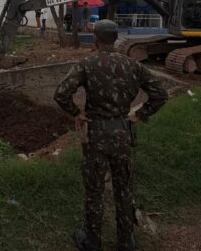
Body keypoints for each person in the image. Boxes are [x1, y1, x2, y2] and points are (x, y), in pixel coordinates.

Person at [54, 19, 168, 251]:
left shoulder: (86, 64)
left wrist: (77, 113)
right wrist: (141, 114)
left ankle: (92, 241)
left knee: (94, 190)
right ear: (115, 38)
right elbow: (160, 93)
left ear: (96, 39)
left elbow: (61, 93)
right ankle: (126, 241)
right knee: (123, 188)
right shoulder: (132, 65)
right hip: (122, 133)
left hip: (96, 134)